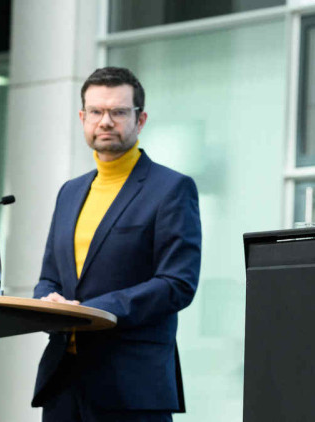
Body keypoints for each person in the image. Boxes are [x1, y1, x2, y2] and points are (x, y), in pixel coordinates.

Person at [31, 67, 202, 422]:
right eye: (96, 111)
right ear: (82, 118)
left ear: (140, 120)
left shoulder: (171, 189)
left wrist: (92, 311)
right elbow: (49, 276)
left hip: (132, 387)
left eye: (118, 112)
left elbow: (177, 284)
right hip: (62, 382)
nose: (105, 121)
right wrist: (47, 302)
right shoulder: (70, 192)